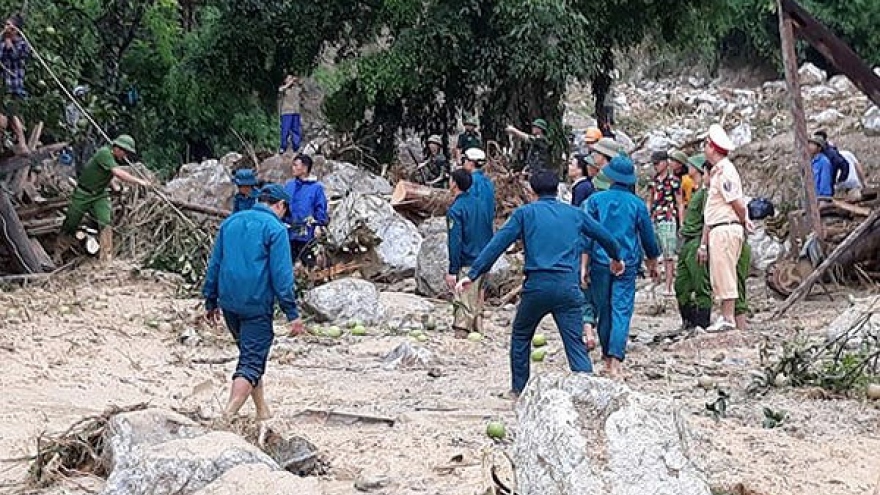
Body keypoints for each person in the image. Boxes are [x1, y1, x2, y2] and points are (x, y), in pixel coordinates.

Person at [456, 170, 625, 397]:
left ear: (532, 191)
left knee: (521, 336)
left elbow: (498, 243)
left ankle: (519, 390)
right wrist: (617, 258)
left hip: (537, 286)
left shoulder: (525, 214)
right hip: (567, 288)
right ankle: (587, 392)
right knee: (574, 343)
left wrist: (473, 273)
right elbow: (606, 237)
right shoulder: (574, 214)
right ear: (557, 190)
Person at [203, 184, 304, 420]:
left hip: (229, 303)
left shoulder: (230, 223)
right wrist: (292, 313)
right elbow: (282, 276)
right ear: (280, 205)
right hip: (256, 304)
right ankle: (226, 418)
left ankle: (262, 410)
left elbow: (214, 264)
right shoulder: (276, 229)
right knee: (250, 363)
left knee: (249, 354)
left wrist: (210, 299)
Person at [584, 155, 660, 378]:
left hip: (600, 261)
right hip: (627, 263)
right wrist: (652, 262)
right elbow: (648, 237)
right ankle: (616, 360)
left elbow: (587, 235)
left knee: (603, 309)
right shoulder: (637, 204)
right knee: (622, 309)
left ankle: (607, 359)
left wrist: (583, 266)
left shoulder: (596, 201)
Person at [676, 154, 751, 331]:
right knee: (686, 285)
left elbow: (710, 220)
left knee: (723, 283)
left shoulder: (713, 195)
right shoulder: (701, 192)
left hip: (707, 239)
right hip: (695, 240)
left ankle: (727, 324)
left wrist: (703, 245)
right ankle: (694, 323)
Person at [58, 135, 150, 262]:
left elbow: (106, 173)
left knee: (105, 221)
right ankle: (59, 253)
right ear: (117, 148)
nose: (125, 156)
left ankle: (106, 258)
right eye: (125, 152)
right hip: (83, 193)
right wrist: (140, 181)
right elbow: (118, 173)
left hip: (99, 194)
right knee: (71, 221)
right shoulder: (105, 153)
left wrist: (114, 186)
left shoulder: (111, 157)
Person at [699, 124, 754, 332]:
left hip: (725, 227)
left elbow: (737, 202)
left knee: (725, 273)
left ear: (712, 147)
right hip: (718, 227)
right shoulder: (718, 172)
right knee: (720, 273)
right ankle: (725, 315)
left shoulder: (725, 172)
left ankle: (728, 316)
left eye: (706, 144)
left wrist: (744, 219)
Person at [447, 169, 493, 337]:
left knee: (464, 300)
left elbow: (455, 241)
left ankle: (461, 332)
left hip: (468, 260)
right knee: (479, 298)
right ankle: (479, 328)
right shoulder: (481, 204)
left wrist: (452, 269)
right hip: (484, 258)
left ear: (454, 184)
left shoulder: (456, 209)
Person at [646, 150, 684, 296]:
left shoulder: (674, 181)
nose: (655, 166)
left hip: (668, 217)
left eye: (657, 163)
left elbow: (679, 203)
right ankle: (655, 281)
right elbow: (650, 200)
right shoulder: (653, 181)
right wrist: (647, 217)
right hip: (656, 216)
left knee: (669, 253)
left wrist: (681, 222)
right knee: (652, 252)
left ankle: (668, 286)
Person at [283, 154, 328, 269]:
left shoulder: (316, 188)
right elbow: (282, 205)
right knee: (289, 263)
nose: (292, 168)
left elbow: (320, 208)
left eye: (295, 165)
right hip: (289, 231)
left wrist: (318, 225)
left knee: (307, 264)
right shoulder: (289, 186)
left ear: (304, 168)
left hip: (307, 232)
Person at [0, 13, 30, 155]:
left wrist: (8, 42)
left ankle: (23, 144)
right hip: (3, 86)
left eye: (9, 26)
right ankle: (12, 144)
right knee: (6, 117)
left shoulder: (23, 44)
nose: (6, 28)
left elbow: (16, 56)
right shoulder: (1, 43)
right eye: (5, 25)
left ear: (16, 29)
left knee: (11, 115)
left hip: (14, 86)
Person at [278, 75, 302, 154]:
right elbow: (280, 90)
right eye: (289, 78)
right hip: (286, 112)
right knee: (285, 130)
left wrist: (297, 81)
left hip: (296, 111)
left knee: (296, 130)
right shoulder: (284, 89)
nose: (291, 80)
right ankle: (283, 147)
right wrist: (288, 84)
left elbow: (302, 86)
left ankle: (296, 147)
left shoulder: (297, 88)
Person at [807, 135, 833, 199]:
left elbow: (825, 182)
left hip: (819, 198)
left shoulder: (824, 162)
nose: (810, 146)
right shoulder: (810, 161)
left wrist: (823, 198)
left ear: (819, 148)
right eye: (810, 144)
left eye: (813, 144)